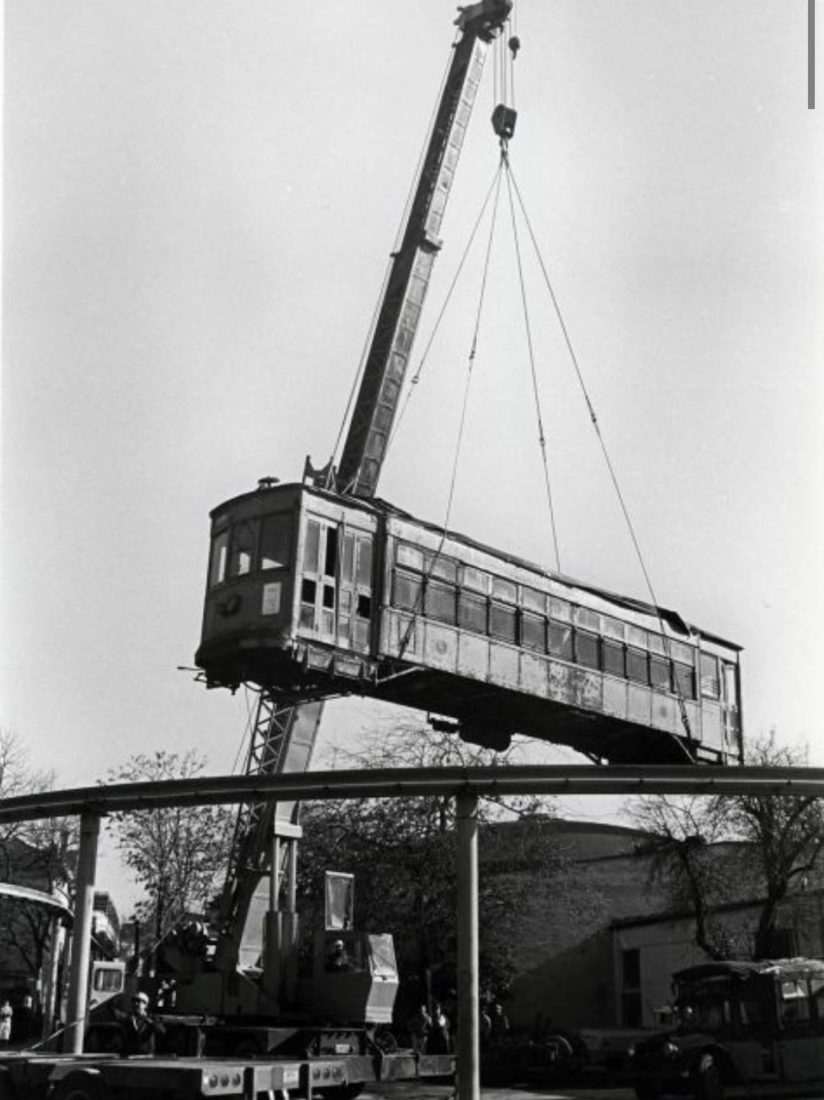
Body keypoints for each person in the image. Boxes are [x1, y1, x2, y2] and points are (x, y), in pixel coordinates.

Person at [113, 991, 165, 1056]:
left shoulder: (153, 1018)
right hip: (129, 1054)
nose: (136, 1004)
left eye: (138, 1001)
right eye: (134, 1001)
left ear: (145, 1004)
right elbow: (113, 1011)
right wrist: (115, 997)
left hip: (146, 1055)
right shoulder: (128, 1017)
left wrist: (146, 1019)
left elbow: (161, 1030)